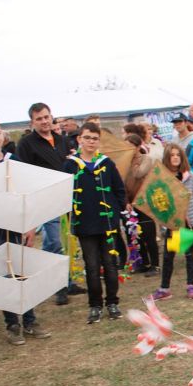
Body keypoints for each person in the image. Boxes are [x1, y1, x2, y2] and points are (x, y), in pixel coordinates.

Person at [0, 116, 52, 345]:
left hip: (19, 228)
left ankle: (30, 320)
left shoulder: (13, 160)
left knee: (23, 274)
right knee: (7, 277)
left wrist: (30, 225)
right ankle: (12, 324)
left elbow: (26, 193)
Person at [64, 123, 126, 323]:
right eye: (87, 138)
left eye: (95, 138)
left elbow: (119, 189)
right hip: (85, 225)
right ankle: (95, 305)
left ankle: (112, 302)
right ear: (79, 139)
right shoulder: (70, 165)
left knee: (110, 265)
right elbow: (63, 194)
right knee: (91, 266)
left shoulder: (106, 163)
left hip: (107, 223)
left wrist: (116, 212)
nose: (91, 142)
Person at [16, 102, 76, 305]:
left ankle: (69, 280)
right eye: (39, 118)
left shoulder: (62, 140)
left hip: (68, 197)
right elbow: (23, 175)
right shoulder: (26, 144)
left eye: (46, 117)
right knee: (53, 243)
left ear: (51, 117)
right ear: (32, 122)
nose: (44, 121)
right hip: (45, 201)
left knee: (68, 242)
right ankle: (58, 286)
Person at [152, 144, 193, 300]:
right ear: (167, 158)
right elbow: (158, 201)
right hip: (173, 224)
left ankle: (191, 286)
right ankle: (165, 289)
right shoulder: (163, 179)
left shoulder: (189, 177)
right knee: (168, 256)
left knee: (190, 254)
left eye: (178, 155)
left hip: (189, 223)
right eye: (172, 155)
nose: (175, 157)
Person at [121, 129, 160, 274]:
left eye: (130, 146)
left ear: (138, 147)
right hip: (131, 203)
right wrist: (126, 201)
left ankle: (155, 265)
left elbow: (138, 173)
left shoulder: (146, 159)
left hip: (144, 202)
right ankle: (144, 262)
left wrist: (131, 162)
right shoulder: (124, 163)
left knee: (149, 234)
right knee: (136, 235)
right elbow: (122, 183)